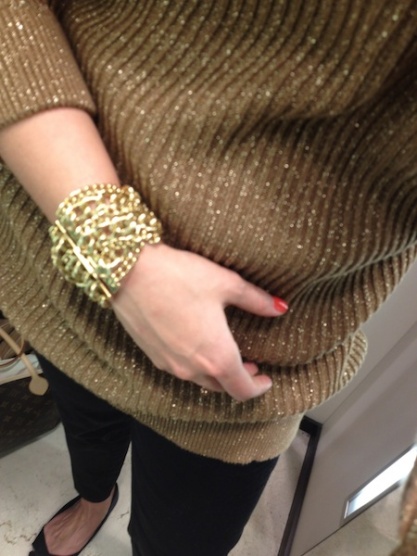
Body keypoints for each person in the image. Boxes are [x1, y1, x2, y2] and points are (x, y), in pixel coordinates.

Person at [0, 1, 416, 555]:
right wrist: (116, 252)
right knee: (86, 433)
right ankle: (94, 497)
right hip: (60, 271)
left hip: (244, 376)